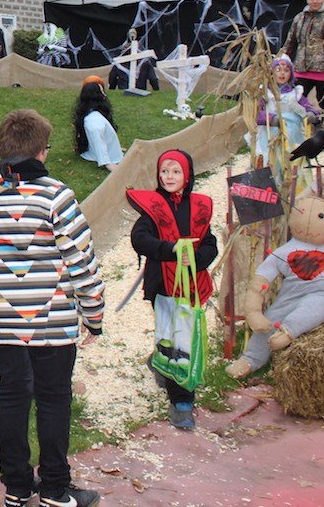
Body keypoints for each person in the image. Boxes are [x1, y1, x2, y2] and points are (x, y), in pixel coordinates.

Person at [0, 109, 104, 507]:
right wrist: (94, 318)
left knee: (12, 395)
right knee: (54, 398)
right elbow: (82, 262)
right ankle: (57, 489)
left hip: (1, 317)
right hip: (50, 320)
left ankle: (18, 488)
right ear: (41, 152)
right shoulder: (56, 196)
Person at [127, 149, 218, 431]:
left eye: (176, 171)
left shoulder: (198, 207)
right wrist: (171, 250)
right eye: (165, 171)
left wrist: (198, 258)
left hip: (191, 284)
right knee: (172, 337)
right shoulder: (153, 207)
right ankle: (180, 399)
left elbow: (209, 242)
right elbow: (139, 238)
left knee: (182, 339)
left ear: (187, 175)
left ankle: (178, 390)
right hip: (163, 285)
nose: (169, 176)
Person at [281, 0, 324, 112]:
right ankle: (299, 130)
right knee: (295, 102)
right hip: (301, 68)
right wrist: (284, 59)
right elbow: (291, 41)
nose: (315, 1)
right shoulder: (300, 17)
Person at [254, 55, 321, 163]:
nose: (282, 73)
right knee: (271, 159)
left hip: (292, 135)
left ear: (291, 74)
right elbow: (257, 113)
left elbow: (307, 106)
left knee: (292, 158)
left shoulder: (295, 93)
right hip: (271, 133)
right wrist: (272, 119)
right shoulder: (266, 93)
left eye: (286, 70)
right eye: (278, 70)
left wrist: (311, 113)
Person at [73, 76, 123, 171]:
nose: (104, 95)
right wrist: (108, 164)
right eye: (102, 92)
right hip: (103, 158)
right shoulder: (94, 120)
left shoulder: (92, 115)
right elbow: (98, 139)